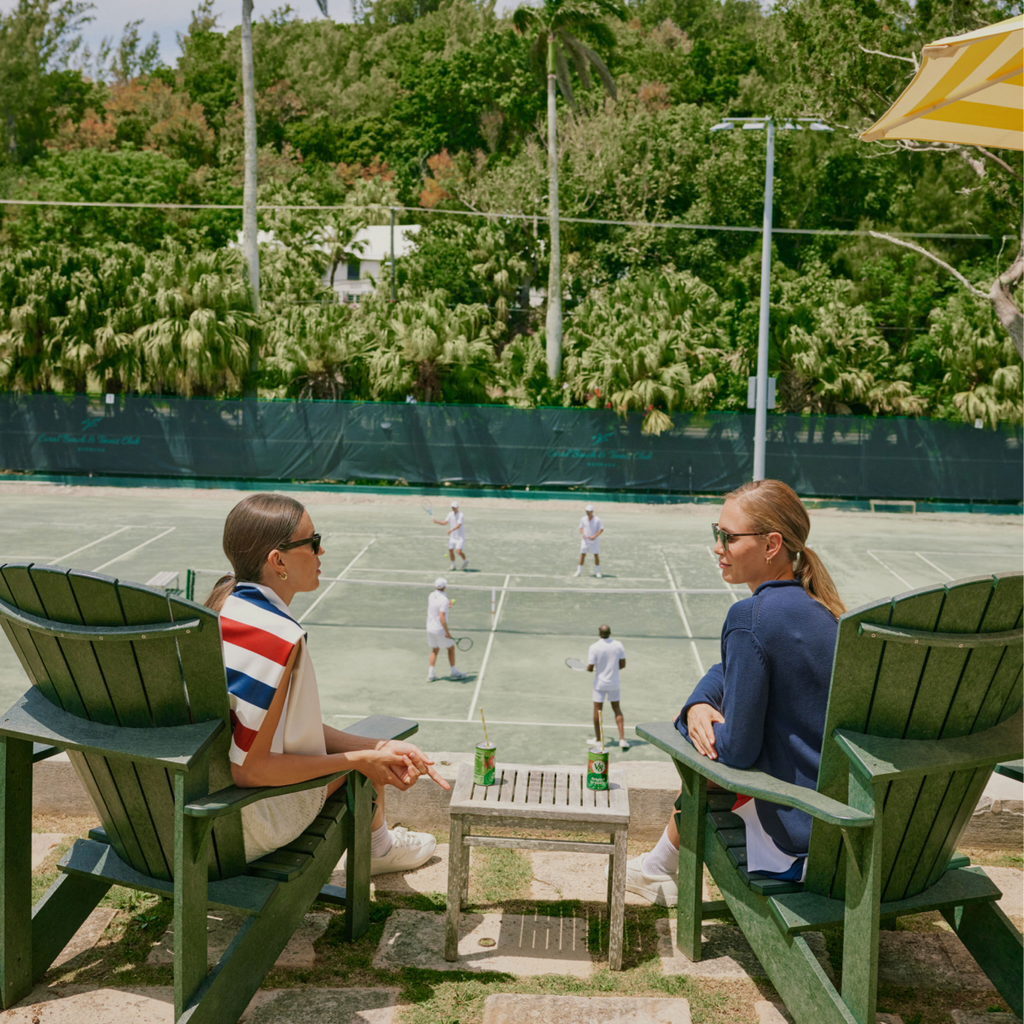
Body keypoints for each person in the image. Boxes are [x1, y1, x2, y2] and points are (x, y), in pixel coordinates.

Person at [624, 479, 846, 907]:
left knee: (702, 764)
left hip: (795, 835)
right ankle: (655, 866)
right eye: (716, 532)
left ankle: (656, 868)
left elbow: (737, 751)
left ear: (771, 544)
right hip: (838, 821)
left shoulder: (750, 617)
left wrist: (689, 722)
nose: (717, 546)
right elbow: (731, 668)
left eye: (728, 536)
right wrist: (701, 703)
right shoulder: (821, 611)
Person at [206, 493, 450, 874]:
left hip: (190, 811)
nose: (322, 551)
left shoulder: (225, 610)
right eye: (313, 542)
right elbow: (250, 771)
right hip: (239, 826)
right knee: (360, 769)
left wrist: (378, 745)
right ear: (278, 561)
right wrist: (361, 760)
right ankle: (379, 848)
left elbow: (269, 729)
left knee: (371, 754)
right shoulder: (278, 637)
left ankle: (380, 842)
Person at [587, 624, 628, 750]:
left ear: (599, 633)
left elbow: (590, 667)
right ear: (610, 633)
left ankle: (599, 740)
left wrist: (590, 669)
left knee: (597, 711)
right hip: (614, 683)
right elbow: (622, 664)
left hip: (600, 684)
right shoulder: (618, 645)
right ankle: (622, 740)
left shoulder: (594, 647)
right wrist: (613, 671)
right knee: (617, 709)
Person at [427, 577, 466, 681]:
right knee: (451, 648)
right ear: (444, 587)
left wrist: (446, 606)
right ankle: (453, 672)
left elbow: (436, 608)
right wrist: (447, 632)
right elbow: (441, 617)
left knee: (435, 649)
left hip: (430, 628)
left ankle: (431, 675)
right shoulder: (443, 600)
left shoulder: (431, 595)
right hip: (439, 629)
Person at [434, 500, 468, 571]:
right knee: (450, 551)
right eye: (452, 507)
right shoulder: (450, 514)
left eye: (455, 507)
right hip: (452, 537)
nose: (453, 508)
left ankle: (465, 561)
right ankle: (453, 565)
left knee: (458, 551)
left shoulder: (461, 515)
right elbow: (445, 522)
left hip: (460, 537)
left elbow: (458, 525)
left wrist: (450, 530)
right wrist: (437, 522)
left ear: (457, 507)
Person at [575, 504, 603, 577]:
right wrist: (583, 533)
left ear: (592, 511)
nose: (588, 512)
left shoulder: (597, 519)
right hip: (585, 541)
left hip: (594, 541)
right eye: (587, 511)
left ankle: (598, 572)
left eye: (589, 511)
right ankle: (578, 571)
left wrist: (594, 536)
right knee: (582, 555)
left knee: (596, 555)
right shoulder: (583, 519)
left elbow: (601, 529)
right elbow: (580, 528)